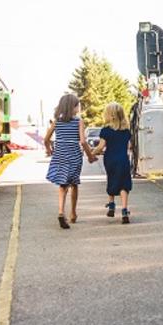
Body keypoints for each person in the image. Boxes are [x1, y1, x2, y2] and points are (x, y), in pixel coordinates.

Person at [44, 94, 96, 229]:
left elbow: (46, 139)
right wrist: (90, 156)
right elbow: (83, 142)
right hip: (74, 155)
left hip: (60, 155)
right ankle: (73, 213)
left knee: (62, 185)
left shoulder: (57, 121)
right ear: (72, 107)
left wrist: (49, 150)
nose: (78, 108)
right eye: (77, 105)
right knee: (74, 184)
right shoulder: (78, 121)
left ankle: (61, 212)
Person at [91, 102, 132, 224]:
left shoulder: (106, 131)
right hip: (123, 159)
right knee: (124, 184)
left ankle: (111, 205)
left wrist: (91, 153)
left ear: (109, 115)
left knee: (112, 179)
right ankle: (124, 210)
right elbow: (130, 146)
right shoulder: (126, 131)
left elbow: (101, 146)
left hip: (110, 160)